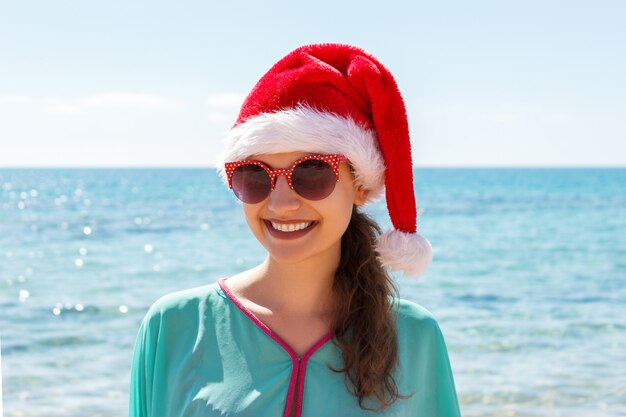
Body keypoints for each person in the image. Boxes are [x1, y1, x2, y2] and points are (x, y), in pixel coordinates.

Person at [129, 43, 461, 417]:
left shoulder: (414, 337)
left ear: (360, 187)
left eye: (313, 171)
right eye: (255, 175)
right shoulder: (175, 326)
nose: (281, 203)